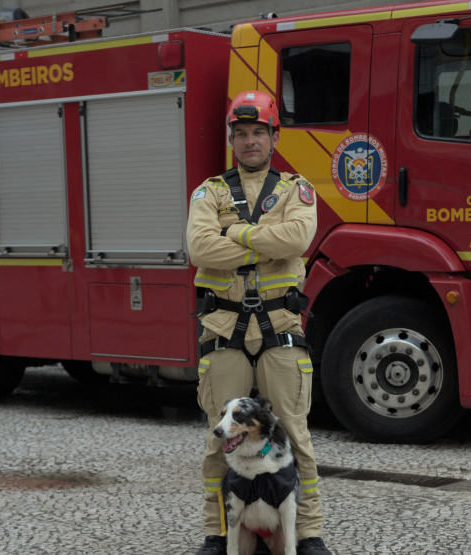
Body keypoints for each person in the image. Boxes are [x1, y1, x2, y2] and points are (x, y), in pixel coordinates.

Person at [186, 90, 334, 555]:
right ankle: (217, 533)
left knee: (296, 433)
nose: (250, 141)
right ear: (232, 138)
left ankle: (308, 536)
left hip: (281, 328)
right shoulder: (208, 191)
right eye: (241, 133)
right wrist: (267, 244)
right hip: (223, 331)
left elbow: (299, 237)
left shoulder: (296, 189)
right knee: (219, 437)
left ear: (274, 137)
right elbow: (200, 250)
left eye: (258, 133)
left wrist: (233, 233)